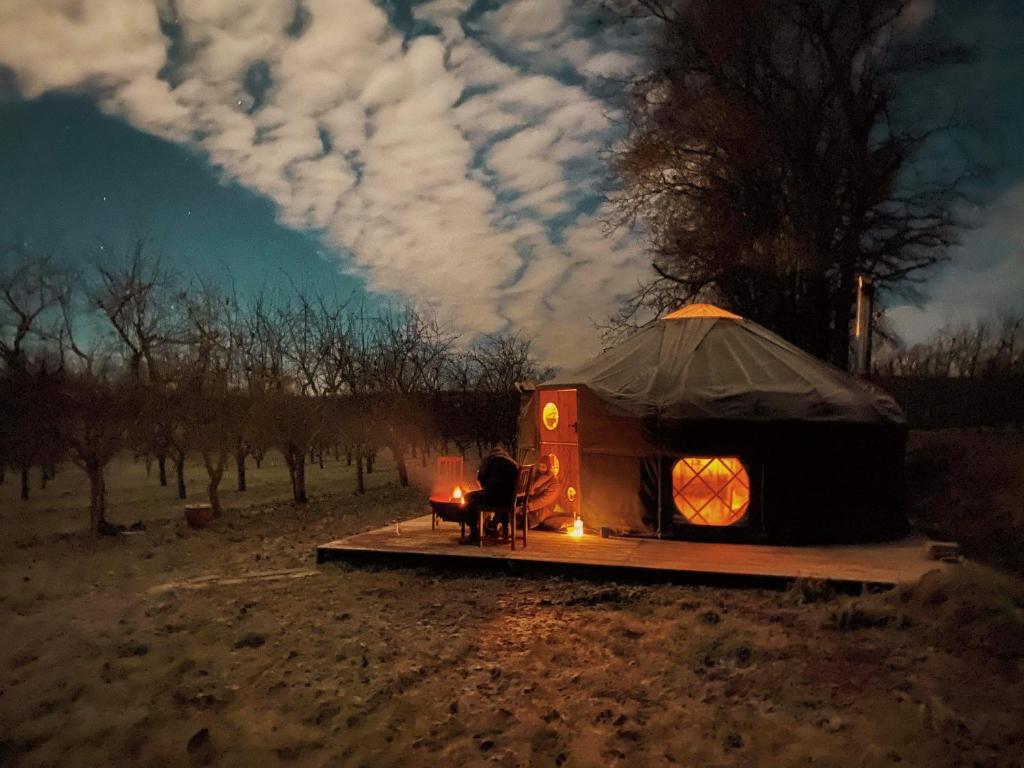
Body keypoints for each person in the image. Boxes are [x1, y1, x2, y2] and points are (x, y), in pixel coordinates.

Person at [461, 447, 519, 543]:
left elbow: (481, 480)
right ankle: (505, 532)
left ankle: (474, 533)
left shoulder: (489, 460)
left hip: (495, 497)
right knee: (495, 494)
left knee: (468, 497)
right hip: (510, 499)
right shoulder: (513, 463)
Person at [527, 453, 564, 529]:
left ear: (548, 467)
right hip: (530, 508)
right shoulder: (536, 476)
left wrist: (529, 506)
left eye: (543, 467)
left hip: (542, 512)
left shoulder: (553, 482)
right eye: (539, 466)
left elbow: (544, 500)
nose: (541, 469)